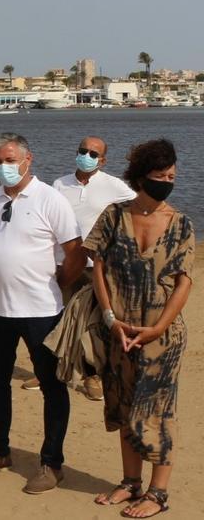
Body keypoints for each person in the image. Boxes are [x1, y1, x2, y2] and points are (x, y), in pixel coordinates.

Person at [0, 132, 85, 495]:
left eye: (10, 160)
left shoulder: (51, 199)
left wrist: (59, 282)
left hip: (41, 310)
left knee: (51, 385)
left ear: (28, 160)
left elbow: (74, 251)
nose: (4, 167)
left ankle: (51, 463)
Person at [85, 139, 192, 518]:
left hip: (163, 337)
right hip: (118, 330)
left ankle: (157, 493)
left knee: (159, 410)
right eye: (160, 176)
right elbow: (96, 265)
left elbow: (184, 282)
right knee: (125, 406)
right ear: (140, 177)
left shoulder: (180, 223)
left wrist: (158, 327)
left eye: (172, 177)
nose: (167, 182)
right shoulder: (114, 216)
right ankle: (130, 483)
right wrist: (111, 318)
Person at [51, 135, 136, 401]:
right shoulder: (59, 184)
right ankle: (57, 370)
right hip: (63, 262)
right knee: (60, 318)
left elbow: (139, 207)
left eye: (93, 153)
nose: (86, 156)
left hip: (95, 266)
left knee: (92, 322)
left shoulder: (114, 186)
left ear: (103, 160)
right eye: (82, 150)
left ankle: (92, 375)